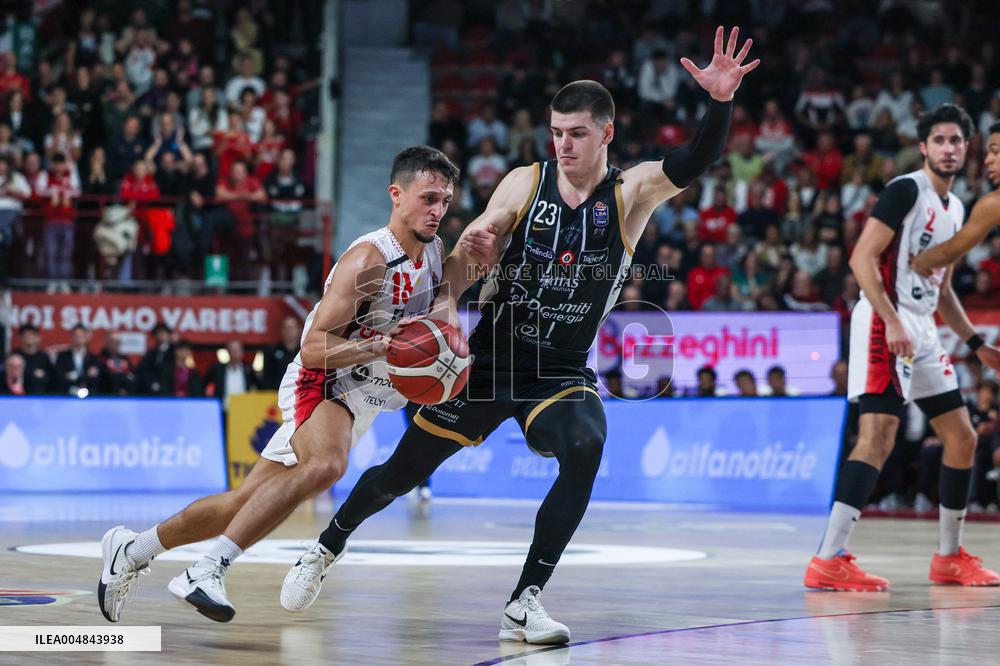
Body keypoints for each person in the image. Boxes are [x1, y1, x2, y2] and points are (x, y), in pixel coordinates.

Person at [281, 27, 758, 645]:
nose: (563, 144)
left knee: (587, 445)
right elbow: (473, 245)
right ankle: (324, 548)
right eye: (556, 132)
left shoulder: (631, 191)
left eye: (577, 133)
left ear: (605, 134)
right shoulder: (524, 182)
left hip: (560, 370)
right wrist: (473, 258)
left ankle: (524, 601)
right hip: (491, 360)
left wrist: (719, 101)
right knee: (399, 474)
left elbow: (694, 162)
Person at [96, 146, 497, 624]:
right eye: (428, 197)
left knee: (240, 504)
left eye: (445, 201)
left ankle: (131, 550)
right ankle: (207, 570)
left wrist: (478, 266)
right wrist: (379, 348)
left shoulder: (431, 251)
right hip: (324, 379)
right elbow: (312, 347)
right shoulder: (368, 261)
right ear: (396, 194)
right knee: (328, 464)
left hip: (363, 396)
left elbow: (446, 292)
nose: (438, 210)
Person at [805, 104, 1000, 592]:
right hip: (883, 319)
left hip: (923, 327)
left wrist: (976, 343)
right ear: (923, 146)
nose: (949, 148)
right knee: (877, 437)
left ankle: (949, 557)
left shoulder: (957, 208)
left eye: (957, 141)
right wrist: (891, 319)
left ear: (967, 149)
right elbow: (860, 257)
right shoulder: (906, 189)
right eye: (940, 140)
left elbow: (944, 289)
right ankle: (828, 558)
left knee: (962, 437)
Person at [910, 122, 1000, 277]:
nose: (987, 161)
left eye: (995, 152)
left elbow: (949, 252)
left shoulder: (994, 203)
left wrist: (915, 262)